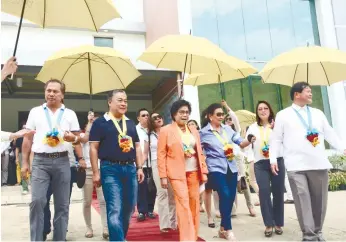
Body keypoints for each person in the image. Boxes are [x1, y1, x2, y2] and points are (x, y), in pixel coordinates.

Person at [270, 82, 346, 242]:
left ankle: (318, 232)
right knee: (302, 198)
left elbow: (329, 132)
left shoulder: (318, 113)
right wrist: (273, 159)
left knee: (320, 201)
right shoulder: (283, 115)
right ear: (297, 94)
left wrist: (342, 148)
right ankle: (309, 235)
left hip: (318, 163)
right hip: (296, 166)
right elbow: (276, 139)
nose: (311, 94)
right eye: (308, 91)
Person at [21, 79, 85, 241]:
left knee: (62, 205)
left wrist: (73, 138)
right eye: (48, 90)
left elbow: (78, 137)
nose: (51, 94)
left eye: (55, 91)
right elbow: (27, 139)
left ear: (62, 95)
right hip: (40, 162)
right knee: (37, 201)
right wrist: (25, 163)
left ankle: (59, 238)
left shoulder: (70, 114)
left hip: (63, 162)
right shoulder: (35, 112)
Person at [89, 89, 145, 242]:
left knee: (129, 210)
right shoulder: (100, 123)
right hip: (110, 169)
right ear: (109, 102)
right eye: (120, 100)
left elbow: (138, 146)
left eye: (125, 101)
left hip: (130, 168)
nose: (123, 103)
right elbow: (93, 148)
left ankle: (120, 237)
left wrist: (140, 167)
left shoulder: (130, 122)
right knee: (114, 209)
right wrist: (96, 172)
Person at [200, 103, 255, 241]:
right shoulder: (203, 133)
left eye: (222, 114)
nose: (221, 116)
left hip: (232, 167)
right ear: (210, 116)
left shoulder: (228, 129)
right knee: (224, 194)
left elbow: (240, 143)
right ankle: (228, 229)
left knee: (230, 198)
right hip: (215, 168)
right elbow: (198, 151)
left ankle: (222, 229)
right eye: (218, 114)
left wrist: (249, 140)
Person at [157, 99, 208, 241]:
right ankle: (187, 239)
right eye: (181, 112)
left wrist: (204, 171)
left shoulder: (193, 130)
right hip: (176, 173)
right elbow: (161, 154)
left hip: (194, 171)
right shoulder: (166, 130)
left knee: (194, 205)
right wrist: (162, 176)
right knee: (183, 205)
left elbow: (199, 151)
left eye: (187, 112)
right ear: (174, 114)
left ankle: (193, 235)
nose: (184, 115)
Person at [246, 101, 285, 237]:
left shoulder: (277, 125)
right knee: (264, 192)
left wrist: (275, 129)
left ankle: (278, 222)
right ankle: (268, 223)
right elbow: (246, 141)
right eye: (260, 109)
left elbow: (286, 140)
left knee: (278, 192)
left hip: (277, 161)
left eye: (265, 108)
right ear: (257, 112)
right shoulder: (252, 127)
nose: (263, 111)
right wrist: (250, 139)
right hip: (260, 163)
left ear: (270, 110)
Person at [222, 101, 256, 218]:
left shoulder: (236, 131)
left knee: (243, 183)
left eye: (230, 119)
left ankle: (250, 206)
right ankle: (232, 209)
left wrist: (226, 106)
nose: (229, 121)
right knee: (229, 184)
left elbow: (235, 118)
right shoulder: (222, 132)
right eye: (227, 120)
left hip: (238, 160)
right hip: (227, 160)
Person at [80, 112, 108, 239]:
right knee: (87, 201)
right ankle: (88, 227)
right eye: (92, 122)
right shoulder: (83, 135)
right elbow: (84, 139)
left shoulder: (103, 136)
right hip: (87, 170)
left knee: (103, 200)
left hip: (101, 169)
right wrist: (90, 124)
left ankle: (106, 228)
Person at [149, 112, 177, 232]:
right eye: (155, 118)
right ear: (151, 121)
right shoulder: (149, 135)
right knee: (162, 193)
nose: (158, 118)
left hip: (171, 163)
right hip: (156, 163)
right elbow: (145, 151)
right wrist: (140, 166)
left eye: (160, 116)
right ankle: (164, 224)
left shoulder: (169, 131)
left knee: (172, 194)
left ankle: (173, 222)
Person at [136, 108, 156, 221]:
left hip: (153, 163)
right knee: (141, 188)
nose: (146, 117)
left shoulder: (153, 131)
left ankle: (150, 210)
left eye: (148, 115)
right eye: (143, 115)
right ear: (138, 118)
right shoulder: (134, 130)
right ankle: (141, 212)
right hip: (140, 164)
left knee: (152, 188)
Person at [15, 125, 29, 194]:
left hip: (30, 154)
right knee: (23, 171)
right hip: (21, 155)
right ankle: (25, 188)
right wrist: (17, 158)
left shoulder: (31, 137)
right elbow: (17, 149)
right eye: (24, 128)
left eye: (26, 128)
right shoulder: (19, 138)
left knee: (32, 170)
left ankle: (33, 187)